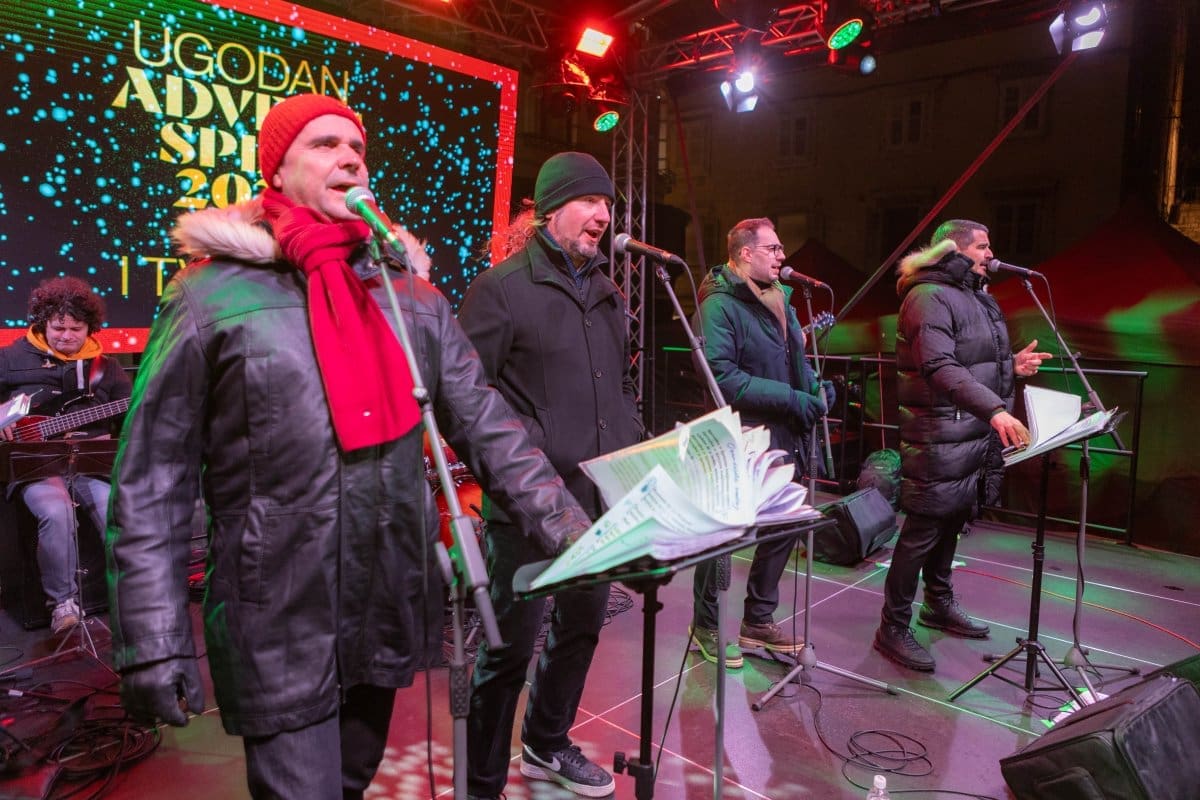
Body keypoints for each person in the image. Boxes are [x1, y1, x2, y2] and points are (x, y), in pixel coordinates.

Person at [105, 92, 593, 800]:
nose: (349, 158)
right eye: (324, 144)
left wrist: (580, 536)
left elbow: (490, 427)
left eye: (357, 148)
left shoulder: (411, 299)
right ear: (277, 171)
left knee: (351, 781)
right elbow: (152, 478)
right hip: (278, 613)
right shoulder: (209, 296)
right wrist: (152, 640)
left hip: (385, 600)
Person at [457, 151, 644, 800]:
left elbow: (621, 388)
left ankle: (546, 741)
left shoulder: (609, 294)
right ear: (552, 209)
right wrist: (529, 459)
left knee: (582, 628)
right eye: (589, 201)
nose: (602, 215)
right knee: (508, 652)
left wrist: (631, 454)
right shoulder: (501, 289)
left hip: (597, 503)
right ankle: (481, 783)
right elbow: (465, 401)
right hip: (527, 507)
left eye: (608, 204)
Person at [873, 219, 1050, 672]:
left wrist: (1010, 366)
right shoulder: (928, 297)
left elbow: (972, 360)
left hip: (966, 430)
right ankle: (892, 626)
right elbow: (938, 366)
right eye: (983, 246)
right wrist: (995, 409)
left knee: (952, 519)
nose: (992, 254)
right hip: (938, 433)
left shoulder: (973, 295)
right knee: (922, 530)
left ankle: (938, 602)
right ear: (955, 249)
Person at [688, 217, 833, 669]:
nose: (782, 255)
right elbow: (722, 377)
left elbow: (795, 359)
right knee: (724, 536)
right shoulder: (719, 305)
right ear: (745, 253)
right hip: (739, 435)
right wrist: (792, 397)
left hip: (783, 432)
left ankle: (758, 620)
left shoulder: (781, 299)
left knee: (783, 527)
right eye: (773, 248)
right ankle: (706, 626)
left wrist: (815, 389)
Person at [0, 276, 131, 634]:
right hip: (36, 464)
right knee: (57, 513)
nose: (67, 336)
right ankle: (62, 603)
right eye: (59, 328)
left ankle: (131, 594)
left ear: (90, 328)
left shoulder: (106, 367)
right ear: (43, 323)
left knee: (117, 513)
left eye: (76, 329)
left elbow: (132, 414)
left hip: (89, 464)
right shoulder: (10, 358)